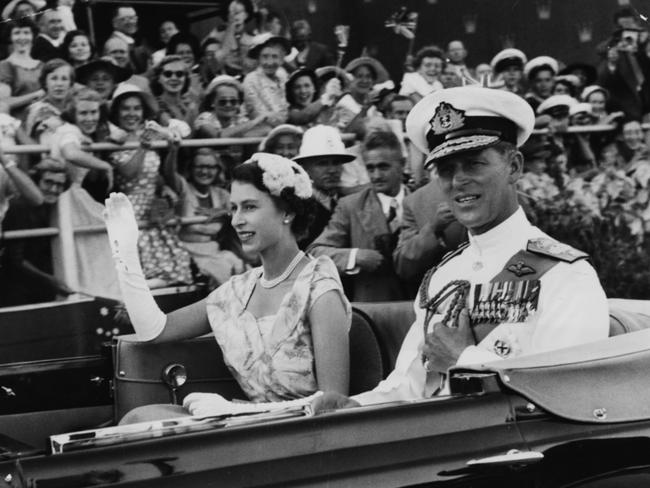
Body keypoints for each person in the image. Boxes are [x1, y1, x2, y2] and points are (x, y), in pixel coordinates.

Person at [314, 85, 609, 409]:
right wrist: (353, 408)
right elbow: (408, 386)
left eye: (473, 164)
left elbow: (569, 394)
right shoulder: (442, 277)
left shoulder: (566, 276)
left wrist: (463, 359)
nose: (457, 181)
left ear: (514, 166)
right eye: (446, 169)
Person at [104, 153, 351, 420]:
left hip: (299, 437)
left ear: (287, 212)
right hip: (245, 426)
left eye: (249, 207)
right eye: (233, 208)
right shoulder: (236, 290)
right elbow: (153, 330)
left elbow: (333, 406)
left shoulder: (319, 290)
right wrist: (125, 252)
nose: (236, 220)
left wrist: (234, 410)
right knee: (141, 417)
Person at [308, 130, 410, 302]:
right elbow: (314, 253)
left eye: (383, 166)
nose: (376, 175)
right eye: (370, 168)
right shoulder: (351, 206)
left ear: (402, 164)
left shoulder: (422, 201)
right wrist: (355, 257)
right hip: (373, 308)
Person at [108, 83, 193, 287]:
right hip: (129, 206)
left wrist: (172, 151)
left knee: (176, 264)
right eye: (126, 108)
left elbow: (162, 172)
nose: (131, 113)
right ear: (117, 112)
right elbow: (128, 172)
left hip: (151, 206)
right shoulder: (114, 137)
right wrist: (143, 147)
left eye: (136, 108)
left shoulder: (149, 133)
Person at [0, 158, 73, 307]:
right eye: (48, 182)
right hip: (16, 289)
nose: (53, 189)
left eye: (59, 185)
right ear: (36, 182)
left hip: (40, 285)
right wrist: (51, 280)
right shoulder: (19, 207)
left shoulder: (57, 208)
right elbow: (15, 260)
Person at [173, 148, 246, 287]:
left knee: (241, 268)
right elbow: (170, 174)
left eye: (211, 167)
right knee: (224, 273)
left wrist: (222, 212)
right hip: (188, 254)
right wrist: (173, 149)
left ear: (218, 170)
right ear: (191, 168)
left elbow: (241, 210)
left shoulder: (221, 194)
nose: (205, 172)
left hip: (213, 251)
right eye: (200, 166)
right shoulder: (183, 190)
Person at [292, 125, 355, 248]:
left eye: (336, 163)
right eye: (322, 164)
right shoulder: (297, 207)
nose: (332, 170)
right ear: (305, 168)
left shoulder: (350, 201)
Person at [242, 33, 291, 133]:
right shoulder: (251, 79)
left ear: (281, 60)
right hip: (259, 132)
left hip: (285, 131)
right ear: (258, 59)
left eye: (274, 56)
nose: (269, 62)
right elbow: (258, 115)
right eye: (265, 56)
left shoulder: (283, 78)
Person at [194, 74, 268, 138]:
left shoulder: (240, 119)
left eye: (233, 101)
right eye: (222, 102)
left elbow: (265, 131)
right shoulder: (204, 118)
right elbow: (219, 136)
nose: (228, 105)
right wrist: (255, 121)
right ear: (212, 102)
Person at [24, 58, 75, 146]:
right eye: (54, 78)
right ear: (45, 83)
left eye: (64, 79)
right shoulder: (38, 109)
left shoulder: (73, 107)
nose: (59, 84)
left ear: (70, 84)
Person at [0, 18, 44, 119]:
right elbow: (3, 102)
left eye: (26, 32)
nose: (22, 37)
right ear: (10, 37)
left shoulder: (42, 65)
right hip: (19, 121)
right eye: (17, 33)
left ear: (33, 36)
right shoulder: (5, 66)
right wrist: (37, 94)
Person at [149, 54, 198, 126]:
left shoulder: (188, 104)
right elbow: (179, 135)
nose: (174, 78)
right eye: (168, 74)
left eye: (179, 74)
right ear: (158, 78)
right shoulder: (154, 105)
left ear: (185, 78)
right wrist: (191, 111)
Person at [107, 5, 151, 74]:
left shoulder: (133, 42)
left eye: (133, 18)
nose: (131, 22)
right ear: (114, 23)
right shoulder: (114, 44)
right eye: (124, 19)